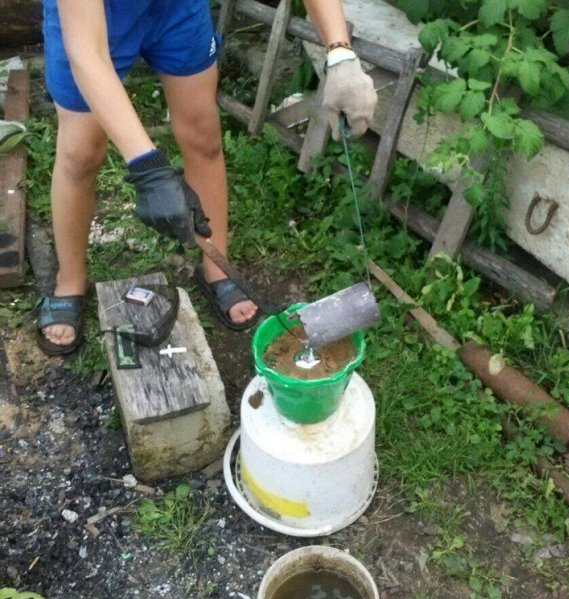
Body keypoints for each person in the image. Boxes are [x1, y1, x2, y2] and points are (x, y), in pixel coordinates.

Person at [36, 0, 378, 355]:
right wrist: (147, 168)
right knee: (81, 154)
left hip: (176, 8)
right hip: (96, 15)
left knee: (203, 134)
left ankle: (217, 266)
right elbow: (88, 54)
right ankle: (70, 280)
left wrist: (340, 53)